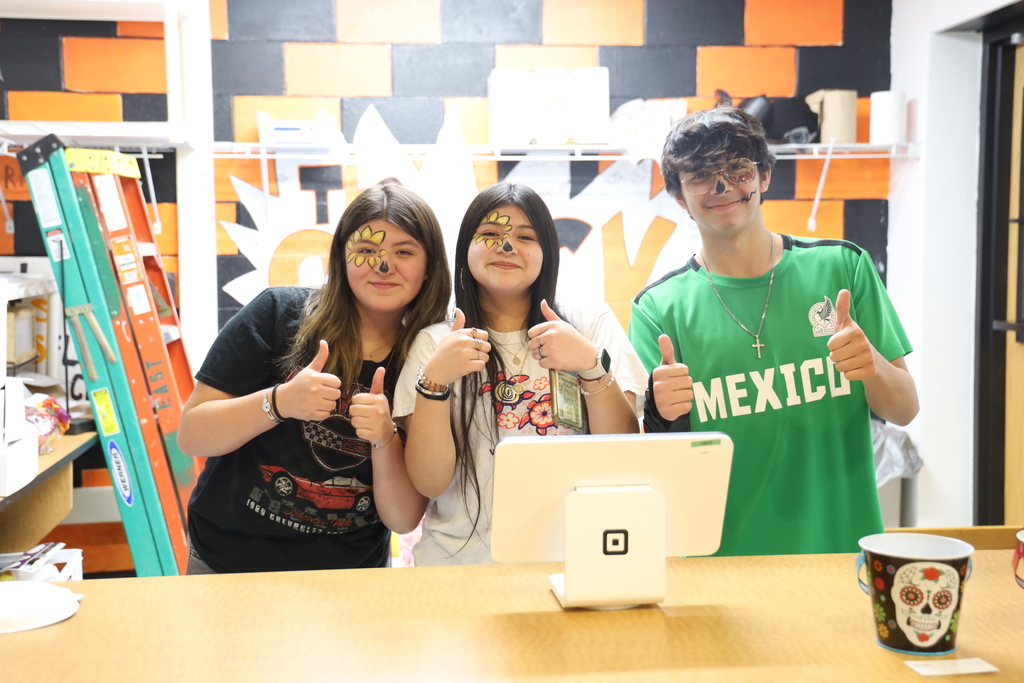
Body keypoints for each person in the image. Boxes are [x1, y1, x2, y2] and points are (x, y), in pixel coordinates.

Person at [629, 107, 919, 557]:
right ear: (680, 197)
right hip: (716, 563)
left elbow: (905, 409)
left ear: (763, 176)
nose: (722, 186)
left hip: (838, 550)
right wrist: (661, 416)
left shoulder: (843, 267)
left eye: (737, 168)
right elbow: (649, 467)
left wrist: (874, 367)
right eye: (701, 175)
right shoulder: (657, 310)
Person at [177, 183, 451, 573]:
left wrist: (385, 439)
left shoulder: (426, 357)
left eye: (404, 252)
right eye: (366, 250)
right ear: (341, 258)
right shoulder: (278, 314)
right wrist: (278, 403)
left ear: (428, 270)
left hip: (348, 579)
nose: (384, 265)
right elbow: (192, 434)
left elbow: (404, 519)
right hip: (229, 565)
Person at [393, 182, 648, 566]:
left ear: (547, 250)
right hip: (458, 571)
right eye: (491, 234)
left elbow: (621, 454)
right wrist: (435, 383)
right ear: (466, 248)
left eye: (525, 236)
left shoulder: (589, 323)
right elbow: (430, 482)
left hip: (574, 564)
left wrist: (591, 367)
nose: (507, 247)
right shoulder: (435, 342)